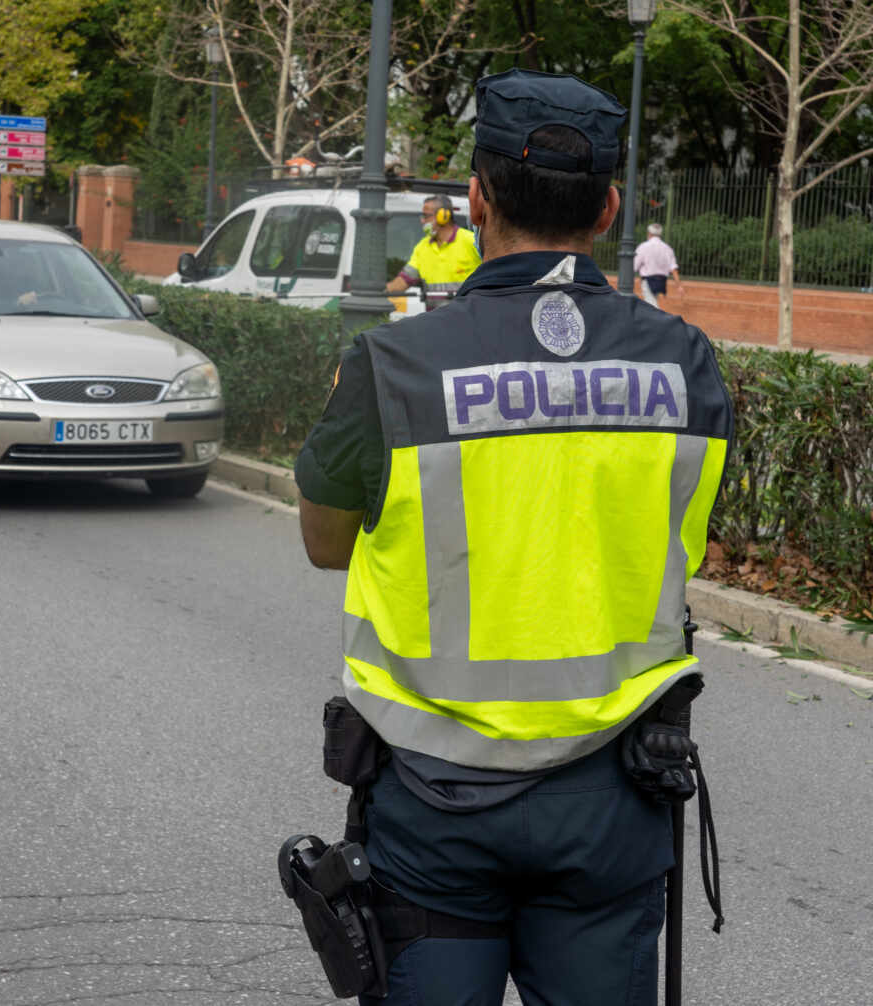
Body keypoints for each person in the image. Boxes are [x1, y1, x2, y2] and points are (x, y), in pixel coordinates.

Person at [295, 68, 734, 1005]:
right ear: (610, 207)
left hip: (432, 797)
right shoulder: (687, 362)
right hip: (614, 791)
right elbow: (679, 528)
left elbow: (326, 541)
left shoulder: (392, 365)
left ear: (476, 199)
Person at [385, 193, 481, 308]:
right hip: (435, 320)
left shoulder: (470, 241)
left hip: (467, 318)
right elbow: (403, 281)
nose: (422, 221)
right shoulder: (422, 247)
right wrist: (376, 293)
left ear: (443, 216)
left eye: (426, 216)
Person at [635, 221, 684, 308]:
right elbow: (673, 268)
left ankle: (657, 320)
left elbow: (634, 266)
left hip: (648, 280)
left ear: (649, 233)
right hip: (662, 280)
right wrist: (679, 286)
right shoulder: (667, 248)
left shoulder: (643, 246)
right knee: (653, 302)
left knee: (651, 305)